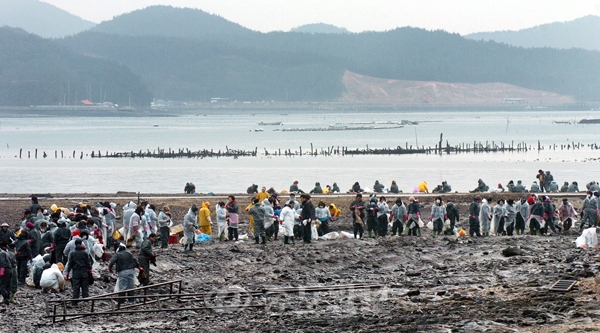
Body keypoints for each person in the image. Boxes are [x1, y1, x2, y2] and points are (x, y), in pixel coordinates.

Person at [64, 239, 92, 304]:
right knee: (85, 286)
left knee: (76, 286)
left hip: (76, 271)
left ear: (75, 244)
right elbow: (88, 263)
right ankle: (86, 300)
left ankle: (75, 301)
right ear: (81, 243)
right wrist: (90, 271)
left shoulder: (72, 253)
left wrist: (67, 272)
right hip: (84, 271)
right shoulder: (85, 253)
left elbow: (70, 263)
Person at [0, 240, 13, 305]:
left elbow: (3, 263)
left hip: (5, 270)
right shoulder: (7, 253)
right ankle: (7, 298)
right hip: (10, 270)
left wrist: (2, 271)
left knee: (2, 286)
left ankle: (5, 298)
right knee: (8, 285)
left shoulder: (1, 253)